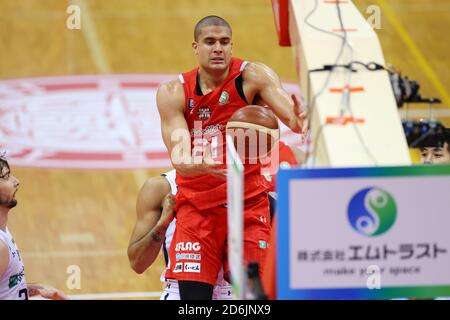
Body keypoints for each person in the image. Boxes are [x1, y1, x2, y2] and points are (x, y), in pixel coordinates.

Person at [156, 15, 307, 299]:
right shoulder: (173, 92)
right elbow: (179, 157)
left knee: (256, 298)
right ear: (195, 47)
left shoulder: (254, 77)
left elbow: (292, 118)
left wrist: (300, 119)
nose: (218, 49)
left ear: (231, 45)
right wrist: (198, 164)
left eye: (224, 42)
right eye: (210, 42)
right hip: (198, 210)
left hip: (248, 204)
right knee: (194, 302)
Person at [127, 170, 232, 300]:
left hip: (235, 289)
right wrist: (162, 224)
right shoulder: (161, 187)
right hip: (180, 289)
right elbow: (138, 263)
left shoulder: (252, 183)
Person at [0, 154, 67, 300]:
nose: (16, 181)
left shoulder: (4, 232)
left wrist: (37, 288)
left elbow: (7, 286)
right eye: (6, 177)